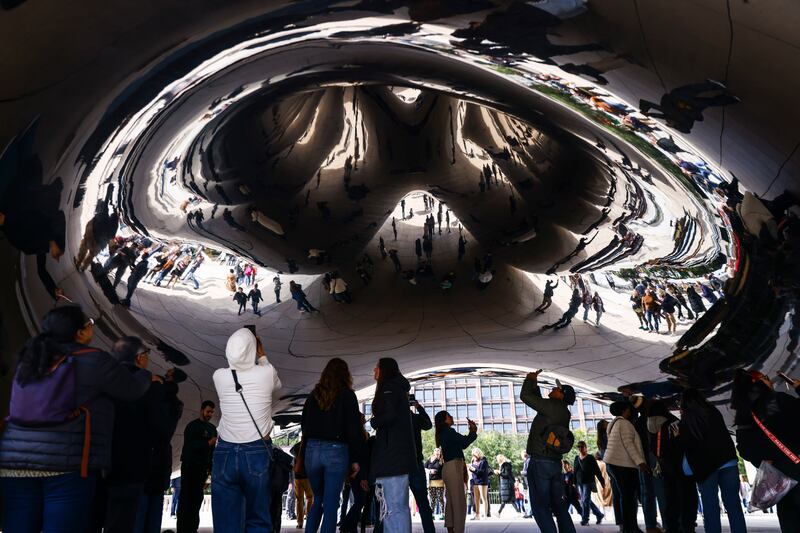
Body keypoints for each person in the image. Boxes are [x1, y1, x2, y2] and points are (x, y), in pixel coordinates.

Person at [0, 306, 151, 533]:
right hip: (67, 464)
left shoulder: (29, 359)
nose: (92, 326)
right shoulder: (94, 360)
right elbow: (132, 390)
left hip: (15, 463)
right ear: (79, 333)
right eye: (89, 323)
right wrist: (144, 373)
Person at [210, 328, 282, 532]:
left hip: (224, 452)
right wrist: (262, 355)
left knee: (225, 522)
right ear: (253, 349)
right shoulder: (266, 373)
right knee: (258, 518)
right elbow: (277, 384)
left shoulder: (219, 376)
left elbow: (236, 367)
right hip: (256, 451)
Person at [98, 337, 168, 533]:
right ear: (139, 358)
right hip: (131, 467)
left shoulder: (99, 378)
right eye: (146, 355)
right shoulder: (149, 385)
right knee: (122, 523)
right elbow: (161, 430)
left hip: (97, 463)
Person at [731, 370, 799, 529]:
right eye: (766, 378)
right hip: (797, 464)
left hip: (779, 478)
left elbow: (744, 449)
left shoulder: (745, 414)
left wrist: (764, 460)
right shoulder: (780, 400)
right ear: (756, 383)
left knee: (790, 519)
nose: (771, 381)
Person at [300, 358, 362, 533]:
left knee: (318, 499)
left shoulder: (314, 395)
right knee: (331, 503)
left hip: (312, 451)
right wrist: (356, 459)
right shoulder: (348, 395)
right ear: (345, 374)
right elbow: (353, 429)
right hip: (336, 451)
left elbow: (304, 424)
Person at [680, 388, 746, 533]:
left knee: (710, 507)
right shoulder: (713, 411)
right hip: (727, 461)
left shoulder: (687, 419)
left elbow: (686, 445)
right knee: (733, 504)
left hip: (705, 468)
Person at [520, 369, 577, 533]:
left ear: (561, 395)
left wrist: (530, 380)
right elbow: (539, 402)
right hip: (554, 463)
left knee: (540, 506)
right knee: (558, 506)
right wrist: (535, 384)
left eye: (557, 389)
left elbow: (526, 397)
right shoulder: (563, 411)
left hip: (540, 463)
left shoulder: (552, 406)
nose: (553, 389)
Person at [369, 358, 416, 533]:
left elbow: (389, 416)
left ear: (384, 370)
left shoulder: (389, 388)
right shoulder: (397, 388)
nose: (374, 370)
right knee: (396, 507)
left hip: (392, 458)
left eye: (377, 367)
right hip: (397, 458)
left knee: (393, 508)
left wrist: (374, 422)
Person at [603, 400, 648, 533]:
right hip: (623, 465)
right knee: (629, 498)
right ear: (624, 410)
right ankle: (631, 528)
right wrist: (641, 462)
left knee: (625, 497)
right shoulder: (624, 424)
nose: (630, 410)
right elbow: (629, 444)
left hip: (613, 463)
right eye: (628, 409)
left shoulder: (613, 423)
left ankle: (629, 527)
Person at [176, 400, 217, 533]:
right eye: (208, 411)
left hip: (203, 470)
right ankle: (183, 529)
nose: (209, 414)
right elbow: (189, 447)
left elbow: (212, 454)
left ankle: (193, 528)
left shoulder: (212, 429)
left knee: (197, 499)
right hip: (190, 468)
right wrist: (207, 443)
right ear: (201, 410)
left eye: (211, 412)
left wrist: (209, 476)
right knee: (186, 499)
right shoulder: (192, 427)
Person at [434, 411, 478, 533]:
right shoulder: (449, 431)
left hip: (449, 468)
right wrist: (473, 431)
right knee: (459, 503)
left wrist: (472, 432)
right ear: (444, 420)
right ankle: (458, 530)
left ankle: (451, 528)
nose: (452, 417)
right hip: (453, 467)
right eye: (449, 416)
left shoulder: (443, 433)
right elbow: (464, 442)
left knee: (451, 502)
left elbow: (462, 444)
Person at [340, 414, 373, 533]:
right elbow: (362, 456)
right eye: (363, 417)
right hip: (359, 472)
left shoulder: (356, 434)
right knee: (360, 501)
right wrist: (362, 476)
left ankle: (350, 526)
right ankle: (346, 526)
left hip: (356, 471)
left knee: (359, 501)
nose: (365, 418)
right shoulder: (359, 435)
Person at [408, 398, 436, 533]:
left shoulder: (393, 417)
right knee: (423, 504)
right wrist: (419, 407)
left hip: (398, 466)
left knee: (393, 504)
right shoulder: (414, 418)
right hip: (415, 464)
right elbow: (428, 424)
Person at [573, 441, 605, 525]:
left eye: (582, 446)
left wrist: (602, 481)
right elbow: (575, 471)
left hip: (588, 482)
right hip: (580, 483)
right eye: (578, 447)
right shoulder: (576, 458)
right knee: (586, 500)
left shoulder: (590, 458)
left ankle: (585, 519)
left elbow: (597, 470)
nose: (580, 448)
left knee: (585, 500)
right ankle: (599, 514)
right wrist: (573, 483)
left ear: (585, 447)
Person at [468, 448, 490, 520]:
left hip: (482, 481)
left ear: (480, 453)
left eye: (477, 452)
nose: (475, 454)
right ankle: (477, 515)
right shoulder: (473, 460)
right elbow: (472, 472)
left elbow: (482, 472)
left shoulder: (484, 461)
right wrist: (470, 468)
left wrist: (473, 469)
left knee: (484, 498)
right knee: (476, 499)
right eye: (474, 453)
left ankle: (485, 515)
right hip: (475, 481)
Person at [424, 449, 445, 519]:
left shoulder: (442, 460)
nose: (437, 452)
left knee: (441, 498)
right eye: (435, 450)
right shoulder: (429, 460)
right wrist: (430, 471)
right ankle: (432, 514)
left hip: (440, 482)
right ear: (433, 452)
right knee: (432, 499)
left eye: (438, 450)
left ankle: (443, 514)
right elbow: (423, 468)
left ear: (440, 452)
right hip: (431, 482)